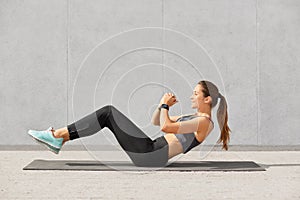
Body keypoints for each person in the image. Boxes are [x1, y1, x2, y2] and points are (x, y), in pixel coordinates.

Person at [28, 80, 231, 167]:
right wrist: (161, 107)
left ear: (208, 100)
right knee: (108, 114)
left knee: (108, 113)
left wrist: (165, 106)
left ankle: (58, 137)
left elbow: (166, 127)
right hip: (151, 149)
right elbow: (155, 121)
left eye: (195, 94)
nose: (191, 97)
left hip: (151, 155)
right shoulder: (192, 118)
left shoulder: (204, 122)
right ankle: (60, 137)